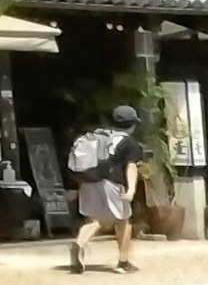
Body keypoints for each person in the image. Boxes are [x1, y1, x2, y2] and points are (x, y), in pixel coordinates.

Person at [63, 99, 148, 274]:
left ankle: (79, 243)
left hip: (88, 181)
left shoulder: (97, 136)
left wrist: (73, 187)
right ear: (131, 125)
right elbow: (131, 166)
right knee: (123, 220)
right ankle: (123, 263)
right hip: (112, 183)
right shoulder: (129, 143)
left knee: (94, 219)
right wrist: (131, 189)